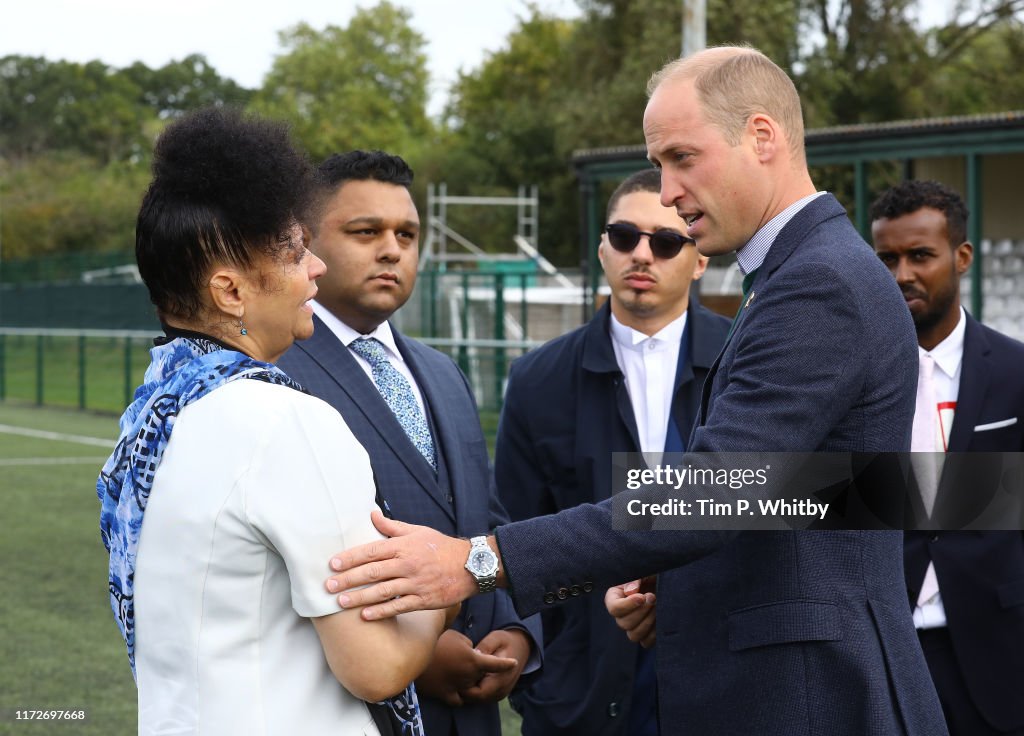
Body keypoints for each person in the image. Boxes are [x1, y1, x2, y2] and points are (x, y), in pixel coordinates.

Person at [322, 46, 949, 735]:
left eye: (682, 157)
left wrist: (478, 560)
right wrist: (676, 583)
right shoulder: (797, 273)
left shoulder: (817, 281)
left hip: (810, 697)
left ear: (762, 137)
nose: (670, 190)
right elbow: (802, 490)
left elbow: (720, 489)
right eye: (659, 165)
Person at [96, 108, 447, 736]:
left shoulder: (152, 410)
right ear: (230, 292)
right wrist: (445, 584)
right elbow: (375, 667)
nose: (314, 268)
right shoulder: (287, 420)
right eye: (292, 252)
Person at [277, 150, 540, 736]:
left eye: (407, 233)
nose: (392, 248)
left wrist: (516, 632)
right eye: (365, 231)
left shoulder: (442, 373)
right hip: (359, 711)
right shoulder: (275, 375)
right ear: (304, 244)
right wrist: (419, 655)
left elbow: (482, 518)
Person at [495, 168, 729, 735]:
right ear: (603, 249)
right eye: (625, 237)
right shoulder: (537, 380)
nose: (642, 255)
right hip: (584, 695)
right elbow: (512, 528)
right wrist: (542, 681)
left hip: (722, 674)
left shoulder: (745, 363)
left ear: (699, 261)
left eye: (667, 241)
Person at [871, 180, 1024, 736]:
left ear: (960, 257)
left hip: (997, 650)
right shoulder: (853, 381)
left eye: (919, 256)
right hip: (886, 648)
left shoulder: (1014, 372)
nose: (901, 274)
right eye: (886, 258)